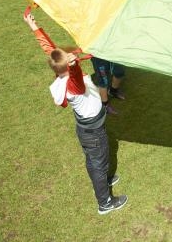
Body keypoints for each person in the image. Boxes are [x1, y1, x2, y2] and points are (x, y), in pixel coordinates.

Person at [23, 12, 128, 215]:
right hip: (93, 132)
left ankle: (104, 179)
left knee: (94, 160)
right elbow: (77, 78)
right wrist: (75, 66)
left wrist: (34, 27)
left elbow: (50, 49)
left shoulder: (60, 69)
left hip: (87, 130)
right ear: (68, 68)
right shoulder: (73, 85)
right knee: (99, 161)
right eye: (69, 58)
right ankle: (105, 202)